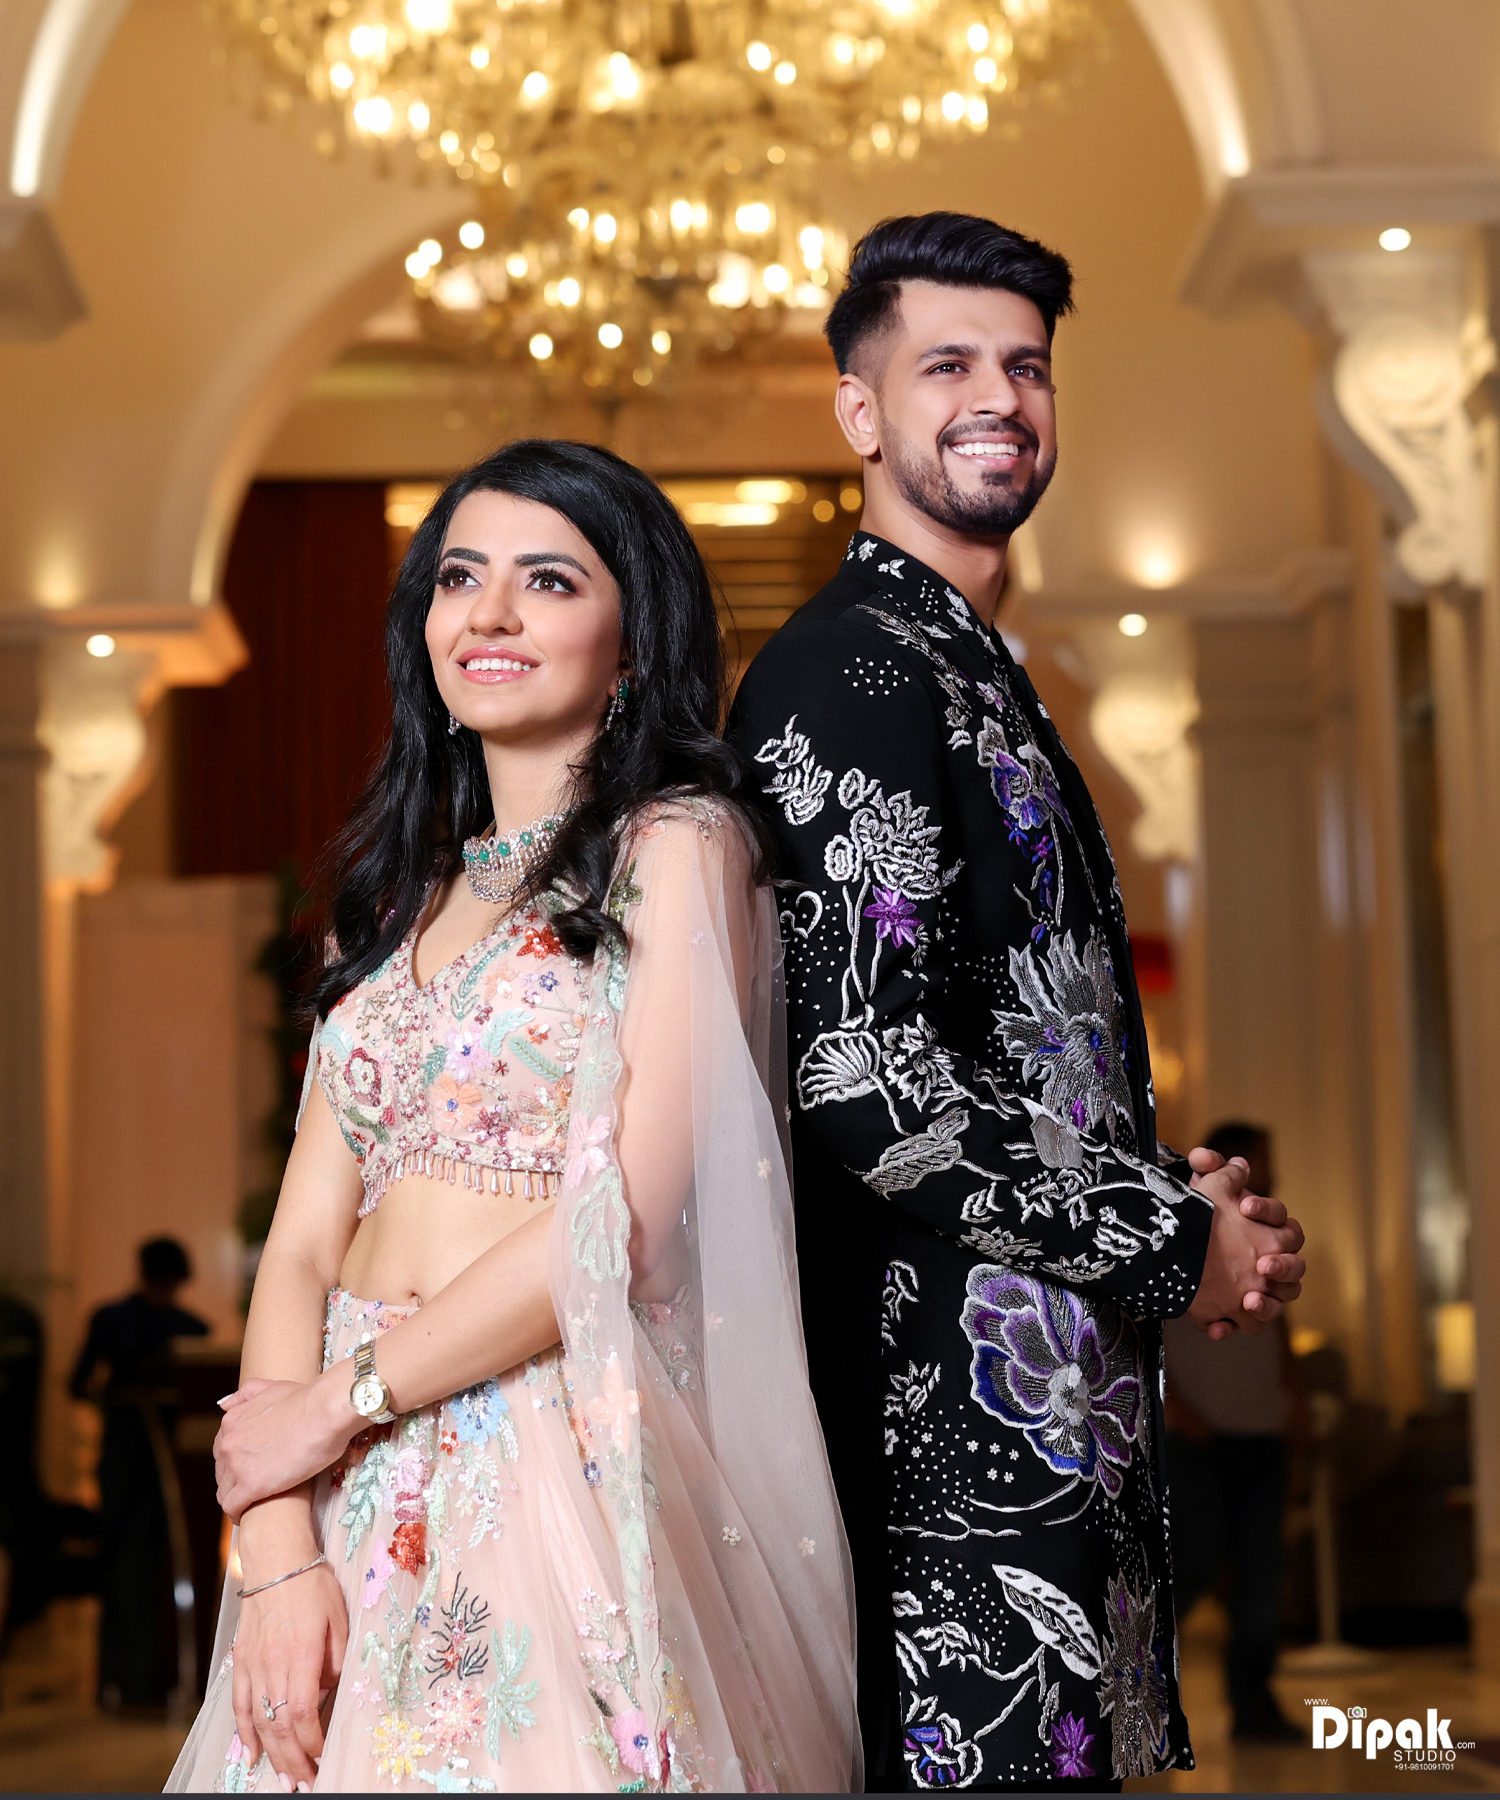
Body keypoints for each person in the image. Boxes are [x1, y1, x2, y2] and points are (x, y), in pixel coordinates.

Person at [167, 440, 858, 1794]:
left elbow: (620, 1219)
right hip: (344, 1471)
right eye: (457, 578)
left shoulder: (679, 846)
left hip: (544, 1445)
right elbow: (301, 1245)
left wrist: (338, 1404)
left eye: (548, 580)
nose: (487, 614)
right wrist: (280, 1543)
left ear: (633, 641)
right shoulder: (388, 901)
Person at [729, 213, 1307, 1792]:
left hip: (1049, 1427)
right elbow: (865, 1078)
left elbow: (1006, 1054)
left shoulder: (966, 668)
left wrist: (1177, 1198)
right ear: (860, 412)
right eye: (948, 366)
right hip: (942, 1459)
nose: (999, 397)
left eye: (1027, 366)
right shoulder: (853, 673)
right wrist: (1172, 1239)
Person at [1163, 1121, 1305, 1743]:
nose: (1273, 1172)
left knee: (1261, 1576)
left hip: (1261, 1435)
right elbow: (1151, 1327)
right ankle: (1142, 1679)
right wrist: (1178, 1412)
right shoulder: (1179, 1231)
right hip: (1199, 1440)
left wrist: (1295, 1398)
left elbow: (1279, 1328)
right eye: (1262, 1160)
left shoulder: (1263, 1241)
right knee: (1194, 1562)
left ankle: (1253, 1706)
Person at [71, 1237, 208, 1709]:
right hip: (127, 1457)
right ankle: (120, 1682)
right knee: (122, 1563)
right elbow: (79, 1382)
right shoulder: (115, 1320)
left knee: (158, 1564)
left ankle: (151, 1679)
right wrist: (119, 1398)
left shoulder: (190, 1327)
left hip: (169, 1463)